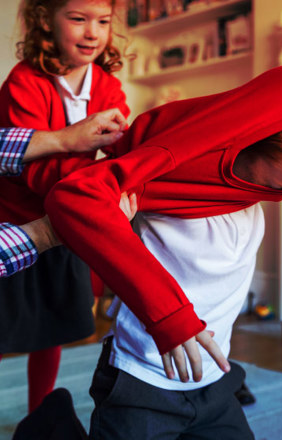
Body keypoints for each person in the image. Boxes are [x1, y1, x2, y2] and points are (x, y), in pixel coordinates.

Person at [44, 16, 282, 439]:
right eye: (276, 185)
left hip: (215, 380)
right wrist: (170, 317)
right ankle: (49, 427)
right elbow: (73, 197)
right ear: (247, 140)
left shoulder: (275, 179)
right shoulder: (173, 164)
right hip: (142, 380)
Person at [0, 0, 130, 414]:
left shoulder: (108, 86)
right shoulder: (24, 81)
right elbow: (27, 167)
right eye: (78, 19)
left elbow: (119, 150)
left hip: (66, 222)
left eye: (103, 21)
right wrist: (88, 197)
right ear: (45, 21)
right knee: (3, 324)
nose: (92, 32)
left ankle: (40, 412)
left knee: (52, 326)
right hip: (17, 222)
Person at [0, 109, 128, 278]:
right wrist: (49, 232)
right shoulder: (22, 85)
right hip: (26, 225)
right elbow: (35, 172)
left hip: (58, 237)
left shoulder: (110, 90)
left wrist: (63, 139)